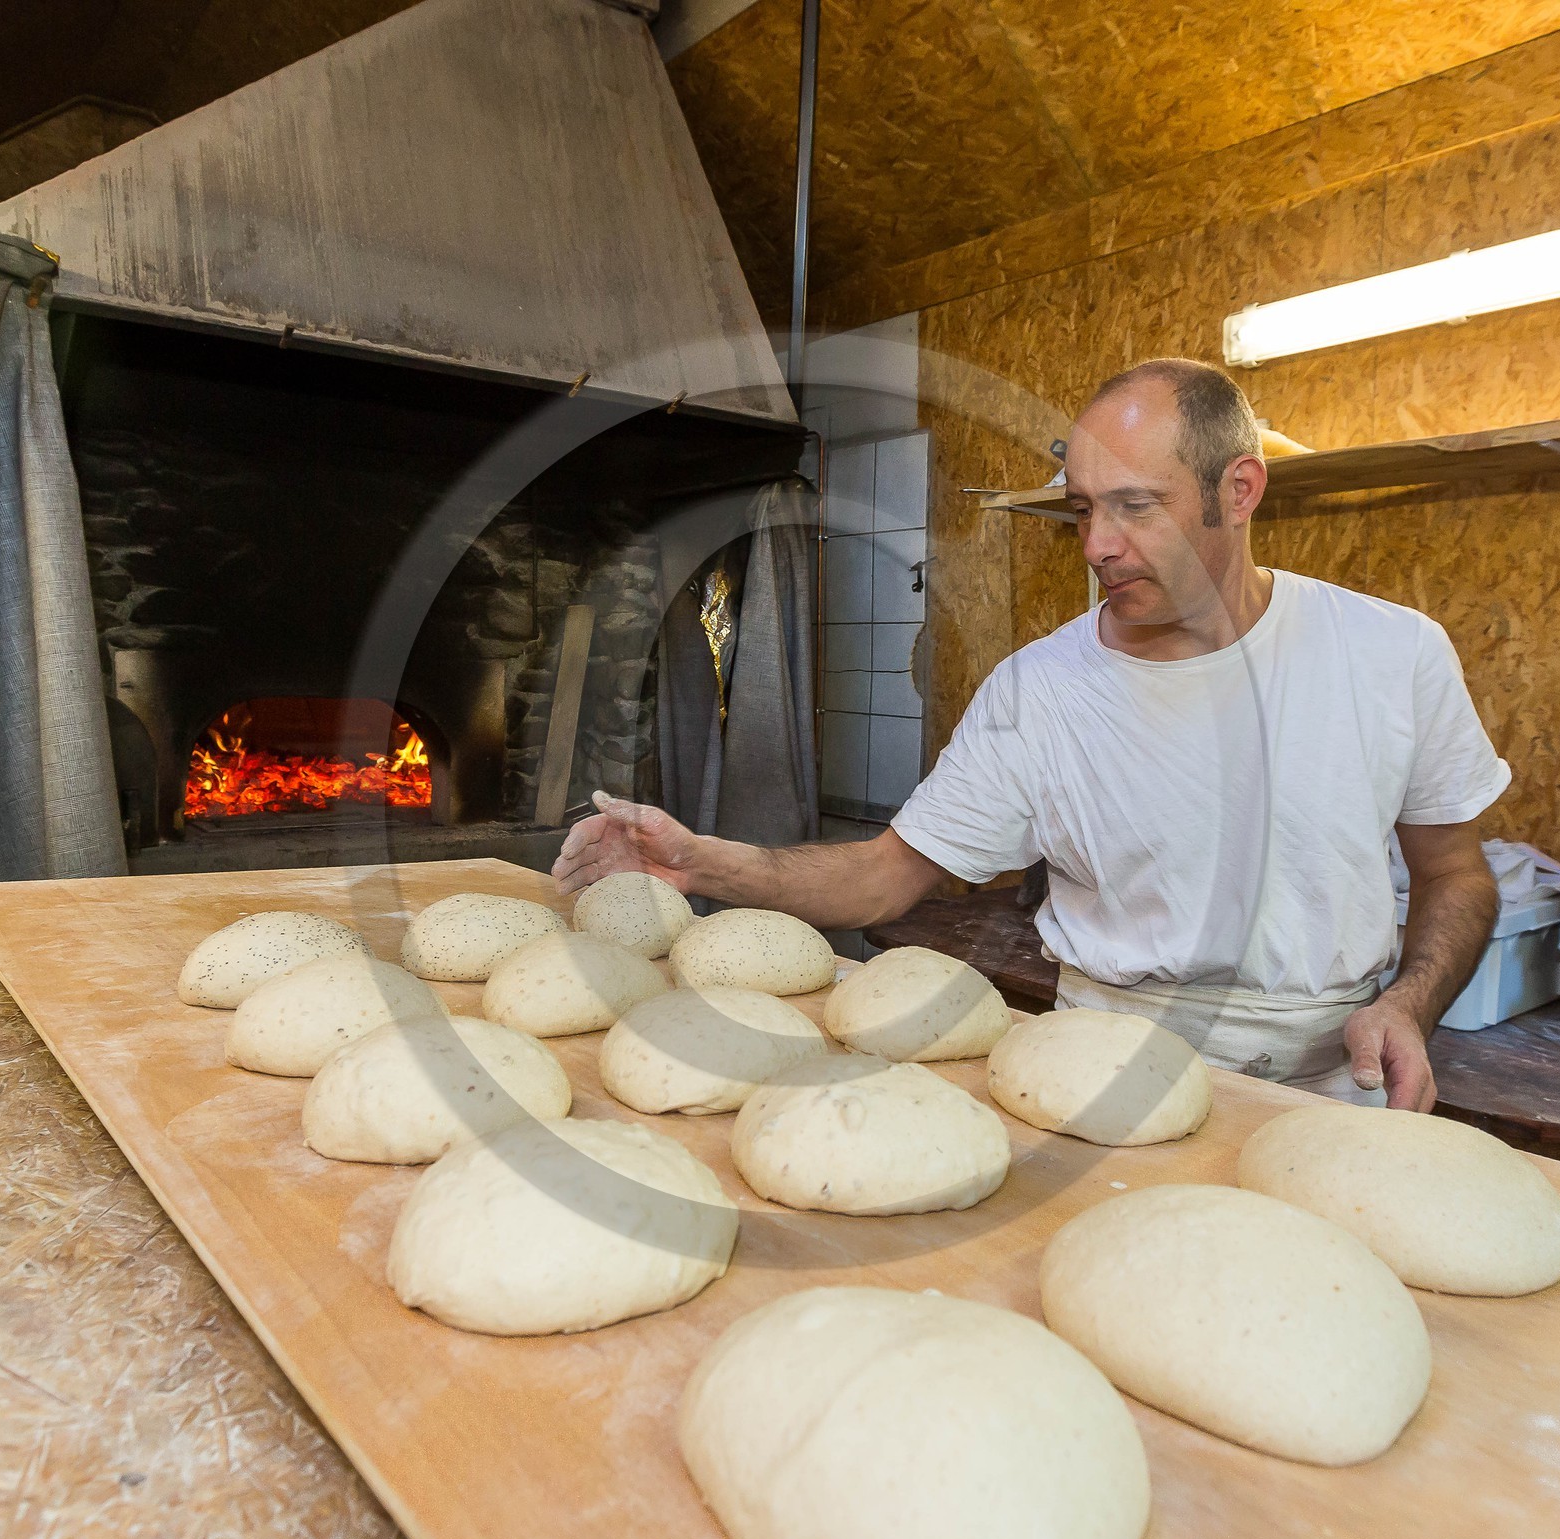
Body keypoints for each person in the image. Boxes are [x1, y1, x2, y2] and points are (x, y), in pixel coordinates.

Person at [554, 358, 1506, 1110]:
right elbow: (888, 875)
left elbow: (1455, 874)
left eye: (1137, 505)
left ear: (1240, 490)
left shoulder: (1391, 655)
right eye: (1085, 508)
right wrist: (699, 864)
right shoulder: (1040, 692)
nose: (1096, 545)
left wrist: (1409, 1005)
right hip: (1097, 1082)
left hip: (1336, 1092)